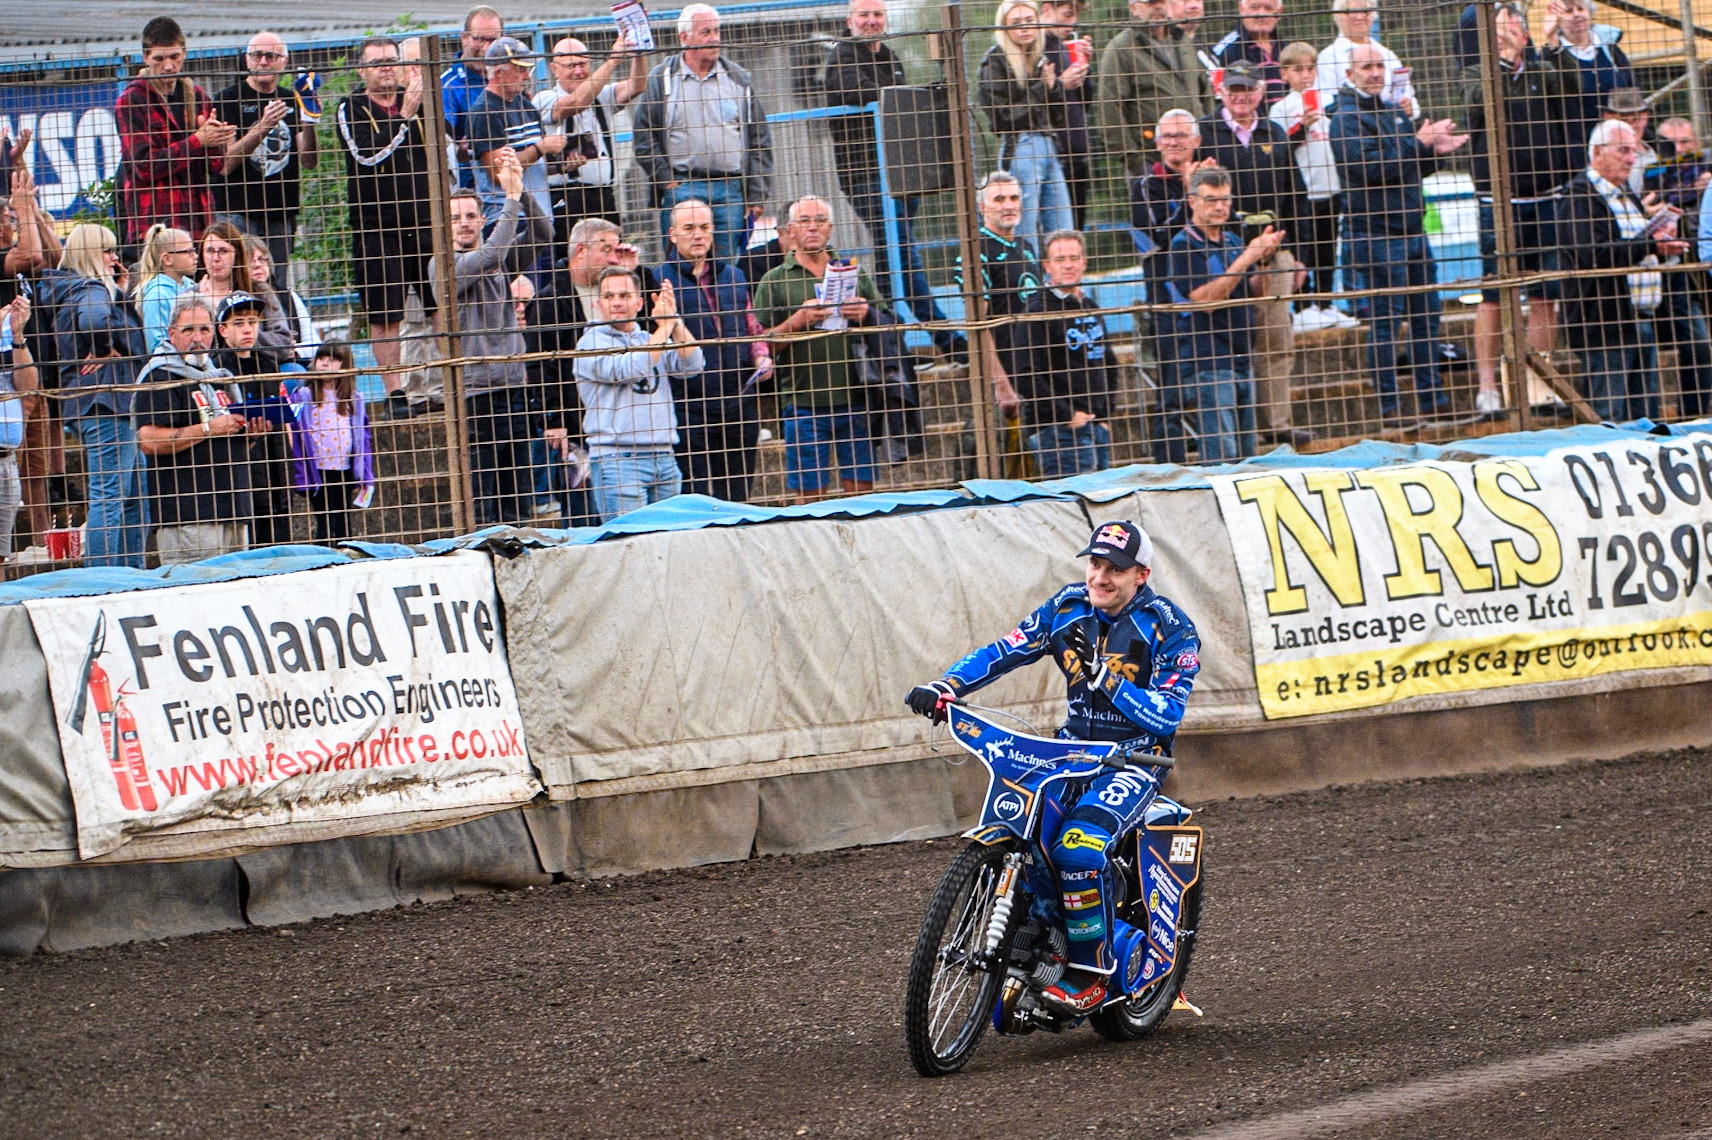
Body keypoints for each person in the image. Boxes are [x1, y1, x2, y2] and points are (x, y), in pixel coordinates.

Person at [904, 519, 1201, 1013]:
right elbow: (1004, 651)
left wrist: (1107, 680)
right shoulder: (1067, 606)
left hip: (1135, 761)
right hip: (1069, 753)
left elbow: (1168, 714)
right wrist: (946, 686)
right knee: (1022, 830)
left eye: (1115, 569)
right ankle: (1039, 939)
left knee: (1077, 850)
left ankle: (1091, 972)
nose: (1100, 577)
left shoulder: (1171, 627)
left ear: (1141, 575)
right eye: (1095, 564)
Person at [1330, 43, 1468, 428]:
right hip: (1376, 234)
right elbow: (1371, 169)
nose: (1375, 72)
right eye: (1367, 67)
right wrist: (1418, 143)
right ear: (1350, 74)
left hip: (1412, 230)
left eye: (1380, 65)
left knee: (1427, 317)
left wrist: (1434, 153)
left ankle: (1433, 399)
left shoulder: (1393, 111)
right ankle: (1390, 407)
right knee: (1386, 323)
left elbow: (1408, 168)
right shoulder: (1345, 118)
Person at [820, 0, 964, 358]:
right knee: (901, 253)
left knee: (891, 258)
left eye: (877, 14)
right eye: (864, 15)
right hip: (867, 175)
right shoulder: (842, 57)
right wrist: (899, 97)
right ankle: (948, 339)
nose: (871, 21)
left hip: (902, 173)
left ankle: (889, 340)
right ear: (850, 20)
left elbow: (901, 102)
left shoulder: (889, 56)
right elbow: (862, 93)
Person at [1461, 4, 1582, 416]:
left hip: (1546, 198)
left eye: (1512, 25)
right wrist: (1505, 60)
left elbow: (1571, 86)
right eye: (1500, 27)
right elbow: (1478, 103)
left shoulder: (1540, 70)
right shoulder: (1476, 72)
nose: (1508, 32)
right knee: (1494, 296)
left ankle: (1537, 384)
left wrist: (1551, 42)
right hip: (1499, 203)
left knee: (1545, 295)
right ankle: (1488, 388)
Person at [430, 152, 554, 526]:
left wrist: (521, 190)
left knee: (517, 497)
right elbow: (492, 254)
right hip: (476, 395)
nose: (464, 224)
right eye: (455, 218)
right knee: (482, 500)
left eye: (471, 216)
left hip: (513, 387)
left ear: (483, 220)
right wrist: (511, 199)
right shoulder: (444, 265)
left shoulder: (498, 260)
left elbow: (543, 234)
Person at [1198, 61, 1312, 448]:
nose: (1241, 96)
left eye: (1248, 89)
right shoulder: (1204, 133)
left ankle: (1275, 423)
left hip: (1273, 251)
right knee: (1230, 342)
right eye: (1234, 89)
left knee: (1277, 339)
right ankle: (1232, 427)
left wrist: (1298, 255)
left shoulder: (1274, 133)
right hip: (1223, 254)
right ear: (1221, 92)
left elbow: (1296, 197)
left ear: (1261, 92)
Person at [754, 195, 882, 503]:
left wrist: (866, 314)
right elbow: (759, 343)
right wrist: (797, 321)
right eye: (804, 221)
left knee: (862, 494)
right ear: (790, 230)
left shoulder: (854, 272)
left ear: (831, 228)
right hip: (803, 404)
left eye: (820, 221)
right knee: (809, 498)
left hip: (856, 398)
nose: (813, 227)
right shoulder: (773, 281)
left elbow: (889, 325)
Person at [337, 35, 435, 421]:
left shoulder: (420, 101)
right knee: (385, 315)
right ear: (362, 71)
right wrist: (403, 116)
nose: (387, 68)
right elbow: (367, 155)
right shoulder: (351, 107)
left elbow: (441, 146)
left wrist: (416, 106)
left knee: (441, 305)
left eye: (392, 60)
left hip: (424, 220)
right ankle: (395, 393)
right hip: (376, 226)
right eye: (377, 62)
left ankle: (454, 380)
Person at [40, 224, 149, 568]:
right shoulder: (90, 289)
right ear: (89, 253)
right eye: (107, 251)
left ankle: (130, 571)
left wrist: (120, 294)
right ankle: (105, 577)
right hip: (105, 402)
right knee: (110, 496)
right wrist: (104, 349)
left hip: (104, 402)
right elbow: (95, 320)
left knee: (133, 494)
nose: (115, 258)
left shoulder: (83, 289)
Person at [1560, 119, 1684, 422]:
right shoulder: (1580, 196)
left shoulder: (1624, 192)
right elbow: (1593, 254)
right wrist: (1650, 245)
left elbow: (1635, 245)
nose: (1631, 159)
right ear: (1597, 152)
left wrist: (1660, 241)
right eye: (1623, 151)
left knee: (1644, 416)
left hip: (1639, 317)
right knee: (1608, 416)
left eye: (1633, 152)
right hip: (1604, 323)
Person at [632, 4, 776, 263]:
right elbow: (643, 135)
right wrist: (665, 179)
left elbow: (760, 139)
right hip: (682, 186)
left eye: (717, 31)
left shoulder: (738, 79)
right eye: (706, 32)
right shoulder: (662, 79)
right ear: (684, 38)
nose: (715, 38)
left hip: (730, 190)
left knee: (726, 268)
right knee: (681, 266)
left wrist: (756, 194)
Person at [654, 199, 771, 503]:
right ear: (672, 234)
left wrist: (761, 355)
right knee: (694, 494)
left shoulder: (734, 275)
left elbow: (751, 326)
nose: (698, 235)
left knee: (737, 493)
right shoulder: (658, 280)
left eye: (704, 227)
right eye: (689, 228)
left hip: (738, 398)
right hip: (687, 403)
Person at [1165, 166, 1277, 462]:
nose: (1219, 207)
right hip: (1209, 360)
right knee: (1222, 457)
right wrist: (1247, 258)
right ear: (1192, 201)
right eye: (1211, 199)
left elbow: (1257, 294)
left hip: (1242, 356)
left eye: (1225, 200)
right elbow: (1205, 300)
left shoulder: (1231, 241)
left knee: (1248, 455)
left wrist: (1263, 261)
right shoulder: (1183, 245)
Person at [133, 294, 256, 564]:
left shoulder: (218, 375)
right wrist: (209, 428)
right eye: (188, 330)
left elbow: (228, 436)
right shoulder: (160, 376)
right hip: (190, 514)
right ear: (171, 333)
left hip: (233, 508)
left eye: (204, 329)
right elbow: (148, 440)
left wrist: (251, 433)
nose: (197, 338)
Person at [574, 268, 703, 521]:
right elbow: (631, 369)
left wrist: (674, 321)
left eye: (624, 295)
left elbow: (693, 364)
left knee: (669, 536)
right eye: (609, 296)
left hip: (664, 456)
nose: (617, 302)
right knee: (629, 538)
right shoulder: (590, 343)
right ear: (598, 304)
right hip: (617, 460)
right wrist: (664, 328)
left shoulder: (649, 338)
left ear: (639, 303)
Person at [1131, 110, 1212, 464]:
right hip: (1167, 302)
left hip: (1212, 298)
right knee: (1171, 390)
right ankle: (1171, 466)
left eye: (1181, 135)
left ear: (1196, 140)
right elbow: (1157, 240)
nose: (1174, 142)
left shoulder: (1212, 178)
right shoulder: (1144, 185)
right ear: (1157, 142)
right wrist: (1191, 194)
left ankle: (1220, 462)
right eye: (1167, 136)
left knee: (1216, 385)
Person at [114, 16, 233, 251]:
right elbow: (144, 165)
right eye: (159, 59)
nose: (168, 66)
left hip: (198, 220)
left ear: (184, 53)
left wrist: (217, 142)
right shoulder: (132, 101)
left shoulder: (197, 96)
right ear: (145, 57)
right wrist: (197, 141)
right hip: (155, 223)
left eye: (174, 57)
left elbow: (215, 167)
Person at [210, 31, 320, 275]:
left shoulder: (291, 99)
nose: (263, 62)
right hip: (237, 211)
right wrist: (263, 126)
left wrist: (309, 120)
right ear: (247, 60)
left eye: (270, 56)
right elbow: (225, 164)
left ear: (284, 61)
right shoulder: (228, 99)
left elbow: (309, 161)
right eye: (257, 55)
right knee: (238, 279)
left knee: (276, 283)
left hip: (280, 212)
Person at [977, 0, 1079, 255]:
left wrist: (1055, 87)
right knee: (1025, 233)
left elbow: (1057, 116)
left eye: (1029, 21)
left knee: (1063, 230)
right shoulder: (995, 61)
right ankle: (1026, 279)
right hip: (1021, 147)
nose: (1024, 28)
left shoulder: (1040, 58)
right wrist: (1042, 87)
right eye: (1016, 23)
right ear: (1004, 27)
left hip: (1049, 145)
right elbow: (1001, 118)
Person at [1017, 230, 1112, 477]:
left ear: (1084, 262)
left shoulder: (1089, 305)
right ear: (1047, 266)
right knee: (1075, 498)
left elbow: (1108, 360)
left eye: (1074, 258)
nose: (1068, 265)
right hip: (1060, 430)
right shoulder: (1037, 310)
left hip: (1095, 425)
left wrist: (1105, 415)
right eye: (1060, 260)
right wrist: (1067, 415)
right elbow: (1025, 375)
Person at [1270, 42, 1350, 333]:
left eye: (1310, 68)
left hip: (1330, 186)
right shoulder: (1281, 108)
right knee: (1305, 249)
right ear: (1284, 73)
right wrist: (1300, 127)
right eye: (1298, 70)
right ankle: (1303, 306)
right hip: (1303, 192)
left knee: (1328, 248)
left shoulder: (1328, 101)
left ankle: (1326, 302)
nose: (1305, 75)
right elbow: (1278, 149)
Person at [535, 34, 647, 238]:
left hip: (603, 196)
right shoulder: (544, 98)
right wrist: (613, 61)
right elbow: (575, 103)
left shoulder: (601, 94)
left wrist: (638, 52)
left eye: (583, 64)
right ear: (554, 69)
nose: (579, 71)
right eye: (571, 66)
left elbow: (636, 86)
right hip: (565, 198)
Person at [210, 291, 294, 547]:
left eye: (252, 322)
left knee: (280, 536)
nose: (247, 329)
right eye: (238, 323)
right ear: (223, 330)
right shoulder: (217, 369)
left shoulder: (267, 364)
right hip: (240, 470)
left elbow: (284, 418)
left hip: (274, 463)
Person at [1099, 0, 1213, 183]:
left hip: (1195, 159)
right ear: (1134, 8)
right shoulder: (1120, 48)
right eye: (1150, 3)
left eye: (1161, 1)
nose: (1158, 7)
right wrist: (1136, 163)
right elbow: (1110, 108)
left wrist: (1211, 141)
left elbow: (1205, 93)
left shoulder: (1182, 40)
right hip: (1151, 162)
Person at [956, 172, 1038, 425]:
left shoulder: (1026, 247)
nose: (1009, 205)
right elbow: (978, 327)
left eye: (1014, 198)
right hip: (1009, 376)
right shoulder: (976, 253)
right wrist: (1001, 385)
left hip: (1039, 372)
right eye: (999, 199)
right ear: (982, 208)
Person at [467, 37, 564, 225]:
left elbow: (534, 166)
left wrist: (562, 166)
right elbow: (498, 173)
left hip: (540, 217)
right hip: (508, 220)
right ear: (498, 72)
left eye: (528, 69)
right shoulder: (484, 111)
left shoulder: (525, 105)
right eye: (520, 69)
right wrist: (541, 148)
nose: (527, 76)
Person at [291, 339, 376, 543]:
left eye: (332, 360)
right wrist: (301, 473)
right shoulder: (304, 396)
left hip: (344, 469)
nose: (324, 363)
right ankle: (325, 556)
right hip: (318, 470)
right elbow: (296, 435)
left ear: (345, 365)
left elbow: (363, 438)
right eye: (321, 358)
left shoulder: (353, 399)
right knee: (325, 522)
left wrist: (364, 473)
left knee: (343, 522)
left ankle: (345, 555)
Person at [1543, 0, 1634, 160]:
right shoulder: (1550, 55)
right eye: (1569, 11)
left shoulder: (1610, 49)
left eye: (1580, 9)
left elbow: (1632, 88)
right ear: (1558, 20)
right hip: (1575, 148)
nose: (1576, 14)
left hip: (1618, 143)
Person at [1039, 0, 1094, 230]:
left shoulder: (1064, 47)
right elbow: (1033, 106)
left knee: (1075, 232)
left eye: (1076, 15)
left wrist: (1085, 69)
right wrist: (1061, 84)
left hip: (1077, 153)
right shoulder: (1035, 49)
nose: (1072, 23)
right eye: (1067, 14)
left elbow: (1084, 103)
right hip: (1052, 154)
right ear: (1047, 9)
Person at [1315, 0, 1417, 118]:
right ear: (1338, 16)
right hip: (1351, 126)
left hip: (1390, 125)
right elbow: (1325, 104)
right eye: (1352, 12)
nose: (1360, 17)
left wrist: (1409, 108)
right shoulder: (1327, 58)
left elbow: (1409, 96)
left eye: (1366, 11)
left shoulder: (1388, 54)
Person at [443, 5, 507, 191]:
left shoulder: (509, 78)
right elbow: (444, 144)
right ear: (464, 38)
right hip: (471, 190)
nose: (486, 48)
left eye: (493, 40)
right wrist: (462, 149)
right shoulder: (448, 86)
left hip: (514, 180)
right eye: (479, 39)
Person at [0, 297, 37, 559]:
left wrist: (17, 336)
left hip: (6, 460)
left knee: (1, 557)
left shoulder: (5, 331)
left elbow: (28, 387)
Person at [133, 224, 199, 354]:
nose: (195, 256)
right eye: (188, 252)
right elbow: (157, 345)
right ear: (167, 259)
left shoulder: (191, 286)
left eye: (194, 250)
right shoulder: (157, 295)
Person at [249, 242, 318, 365]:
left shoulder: (287, 294)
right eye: (250, 260)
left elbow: (314, 343)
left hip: (291, 363)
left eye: (261, 259)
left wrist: (294, 351)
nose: (257, 265)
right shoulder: (237, 298)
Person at [1211, 0, 1288, 110]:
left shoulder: (1285, 49)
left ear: (1279, 12)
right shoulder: (1225, 50)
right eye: (1254, 7)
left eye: (1268, 8)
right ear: (1241, 9)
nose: (1261, 13)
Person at [196, 221, 255, 311]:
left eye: (223, 251)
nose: (216, 258)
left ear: (237, 255)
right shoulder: (190, 296)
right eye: (210, 251)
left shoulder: (260, 291)